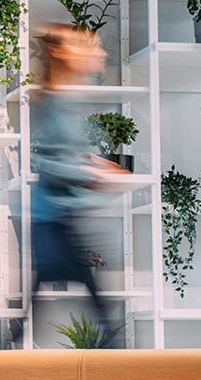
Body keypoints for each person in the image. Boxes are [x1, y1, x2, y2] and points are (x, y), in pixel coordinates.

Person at [25, 24, 126, 344]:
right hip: (54, 217)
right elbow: (49, 163)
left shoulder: (62, 100)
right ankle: (113, 346)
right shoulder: (52, 102)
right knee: (89, 288)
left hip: (54, 216)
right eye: (90, 48)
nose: (99, 54)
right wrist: (93, 175)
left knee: (62, 289)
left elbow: (61, 155)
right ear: (62, 54)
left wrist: (90, 164)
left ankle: (112, 343)